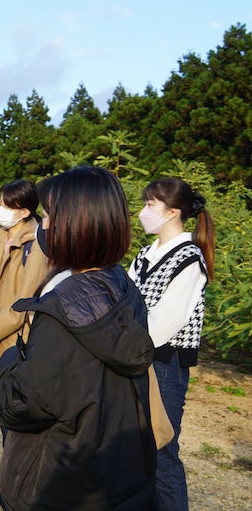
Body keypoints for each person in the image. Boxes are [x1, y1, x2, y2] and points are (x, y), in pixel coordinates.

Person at [0, 166, 157, 510]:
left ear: (75, 225)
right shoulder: (122, 287)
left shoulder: (63, 312)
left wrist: (9, 361)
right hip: (112, 473)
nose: (44, 226)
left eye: (49, 216)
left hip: (58, 480)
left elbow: (23, 404)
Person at [128, 177, 215, 511]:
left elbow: (162, 324)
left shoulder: (190, 259)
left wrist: (121, 341)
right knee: (137, 448)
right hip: (138, 356)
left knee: (161, 449)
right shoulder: (146, 254)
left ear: (173, 211)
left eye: (150, 205)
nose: (143, 212)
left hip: (163, 365)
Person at [0, 179, 50, 485]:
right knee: (3, 404)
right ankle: (11, 468)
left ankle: (20, 474)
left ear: (24, 211)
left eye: (5, 205)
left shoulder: (36, 245)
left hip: (18, 338)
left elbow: (26, 298)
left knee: (17, 407)